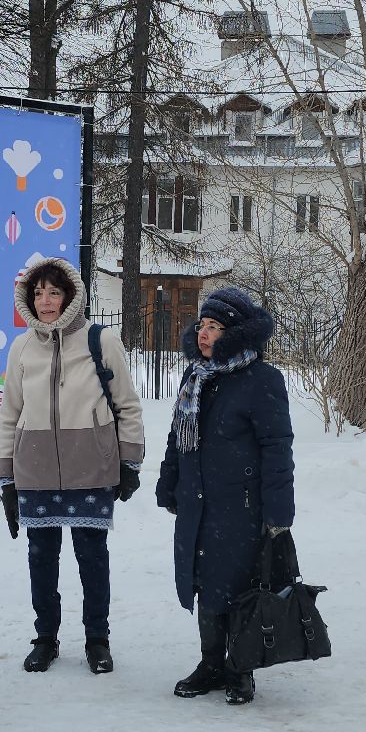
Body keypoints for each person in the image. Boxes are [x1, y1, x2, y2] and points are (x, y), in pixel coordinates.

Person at [0, 256, 146, 675]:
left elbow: (127, 405)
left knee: (91, 556)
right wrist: (7, 478)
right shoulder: (21, 348)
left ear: (71, 296)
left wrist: (129, 461)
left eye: (54, 292)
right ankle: (45, 638)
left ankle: (98, 639)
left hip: (90, 466)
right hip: (36, 467)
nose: (45, 301)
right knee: (41, 558)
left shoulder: (101, 341)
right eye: (38, 293)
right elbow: (10, 413)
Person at [156, 286, 294, 706]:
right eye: (202, 324)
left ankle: (240, 668)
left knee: (238, 587)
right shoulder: (195, 376)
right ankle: (210, 663)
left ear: (235, 332)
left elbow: (277, 446)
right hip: (198, 501)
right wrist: (169, 481)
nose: (204, 333)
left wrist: (278, 511)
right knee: (204, 584)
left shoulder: (261, 380)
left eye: (215, 327)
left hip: (241, 507)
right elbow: (179, 436)